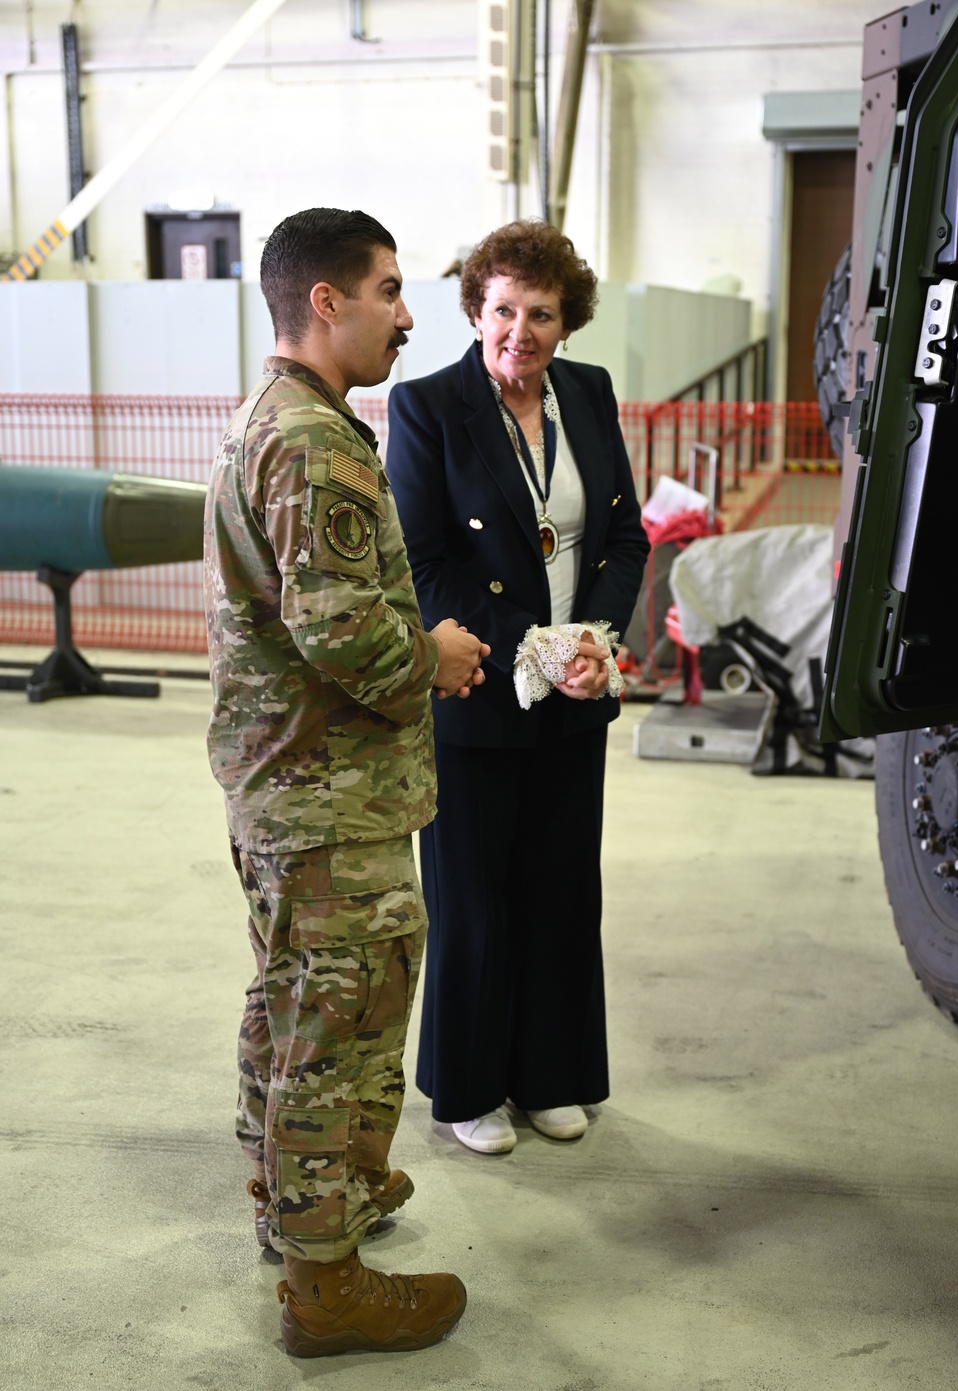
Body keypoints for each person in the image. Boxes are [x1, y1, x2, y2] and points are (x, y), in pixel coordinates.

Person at [203, 207, 488, 1358]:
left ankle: (301, 1199)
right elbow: (347, 639)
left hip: (291, 788)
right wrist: (443, 654)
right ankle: (326, 1287)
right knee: (342, 1027)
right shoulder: (313, 442)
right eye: (387, 287)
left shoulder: (278, 418)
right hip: (328, 795)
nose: (407, 313)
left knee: (291, 1002)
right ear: (324, 301)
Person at [386, 219, 649, 1156]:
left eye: (542, 312)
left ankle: (550, 1077)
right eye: (504, 308)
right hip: (479, 691)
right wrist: (533, 651)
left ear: (567, 321)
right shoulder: (425, 409)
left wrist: (595, 645)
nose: (521, 330)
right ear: (476, 309)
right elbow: (422, 564)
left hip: (580, 688)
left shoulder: (588, 392)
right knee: (474, 899)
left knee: (563, 889)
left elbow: (624, 537)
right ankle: (470, 1090)